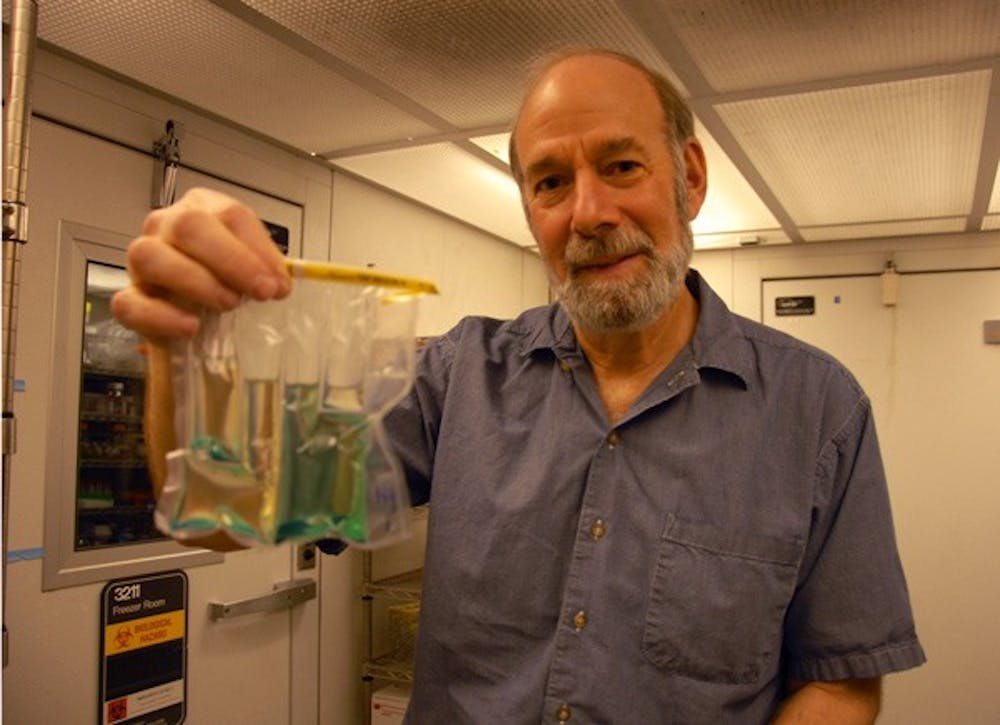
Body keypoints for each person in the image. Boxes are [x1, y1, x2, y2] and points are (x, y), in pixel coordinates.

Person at [113, 49, 925, 723]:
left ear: (690, 177)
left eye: (621, 164)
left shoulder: (816, 410)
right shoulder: (456, 378)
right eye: (550, 183)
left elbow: (842, 676)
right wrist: (174, 346)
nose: (590, 212)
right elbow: (224, 510)